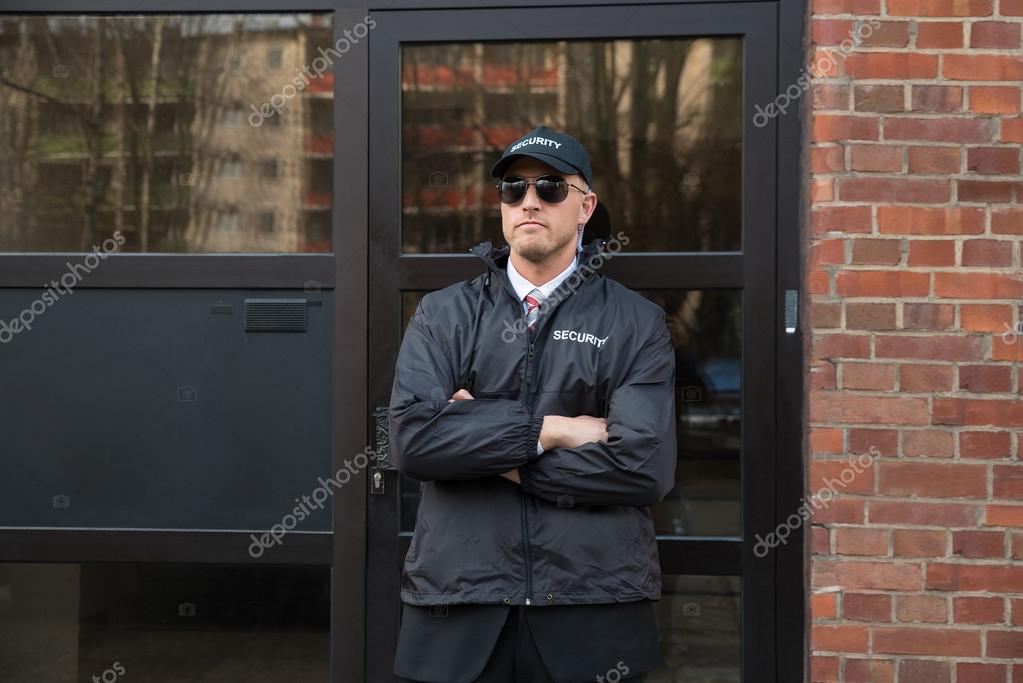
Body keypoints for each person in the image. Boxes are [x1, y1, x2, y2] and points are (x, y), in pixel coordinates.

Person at [389, 125, 677, 683]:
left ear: (585, 206)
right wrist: (552, 431)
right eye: (513, 189)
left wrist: (484, 447)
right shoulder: (442, 315)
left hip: (593, 604)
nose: (529, 201)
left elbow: (643, 468)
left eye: (550, 187)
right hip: (459, 606)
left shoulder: (635, 322)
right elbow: (413, 443)